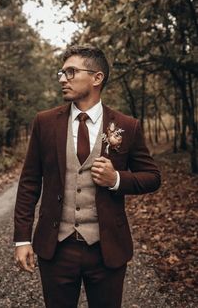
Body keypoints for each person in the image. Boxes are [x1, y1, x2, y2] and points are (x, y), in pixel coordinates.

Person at [14, 45, 161, 308]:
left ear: (96, 78)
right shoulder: (44, 122)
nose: (62, 78)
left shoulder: (127, 126)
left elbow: (152, 176)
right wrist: (22, 238)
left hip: (107, 250)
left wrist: (116, 179)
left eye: (70, 72)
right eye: (61, 72)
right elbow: (28, 184)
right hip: (56, 249)